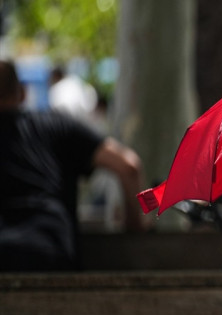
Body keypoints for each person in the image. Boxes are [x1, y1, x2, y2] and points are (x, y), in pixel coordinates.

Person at [0, 58, 145, 272]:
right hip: (50, 252)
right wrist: (135, 227)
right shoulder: (55, 124)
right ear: (22, 92)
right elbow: (128, 166)